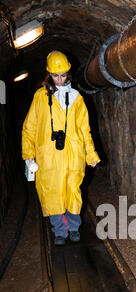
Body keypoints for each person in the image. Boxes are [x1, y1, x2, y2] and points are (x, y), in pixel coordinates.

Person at [22, 50, 100, 245]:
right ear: (49, 74)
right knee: (52, 192)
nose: (59, 79)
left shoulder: (76, 98)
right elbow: (29, 127)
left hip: (73, 155)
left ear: (68, 74)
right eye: (55, 75)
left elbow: (84, 129)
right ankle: (59, 230)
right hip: (48, 156)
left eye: (63, 75)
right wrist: (28, 155)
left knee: (73, 191)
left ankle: (73, 228)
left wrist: (91, 154)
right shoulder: (40, 97)